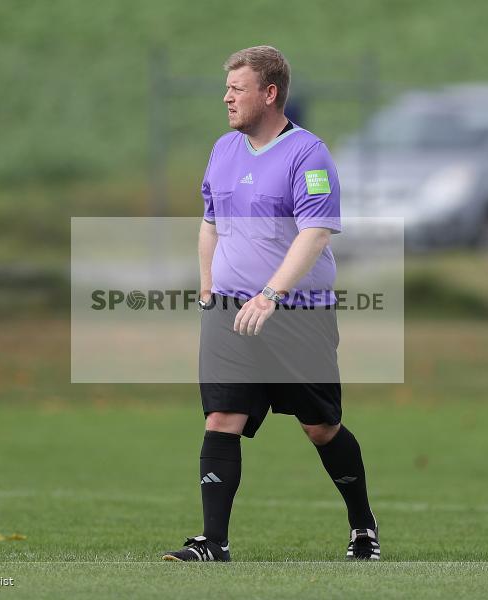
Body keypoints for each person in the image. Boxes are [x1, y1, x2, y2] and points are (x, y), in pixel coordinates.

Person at [162, 46, 379, 563]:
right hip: (229, 311)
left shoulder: (308, 154)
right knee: (222, 418)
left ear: (270, 93)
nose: (227, 97)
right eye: (228, 88)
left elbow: (317, 233)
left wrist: (271, 294)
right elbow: (210, 222)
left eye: (238, 89)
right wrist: (207, 285)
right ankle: (213, 543)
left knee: (320, 427)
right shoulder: (223, 149)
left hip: (296, 312)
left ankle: (362, 527)